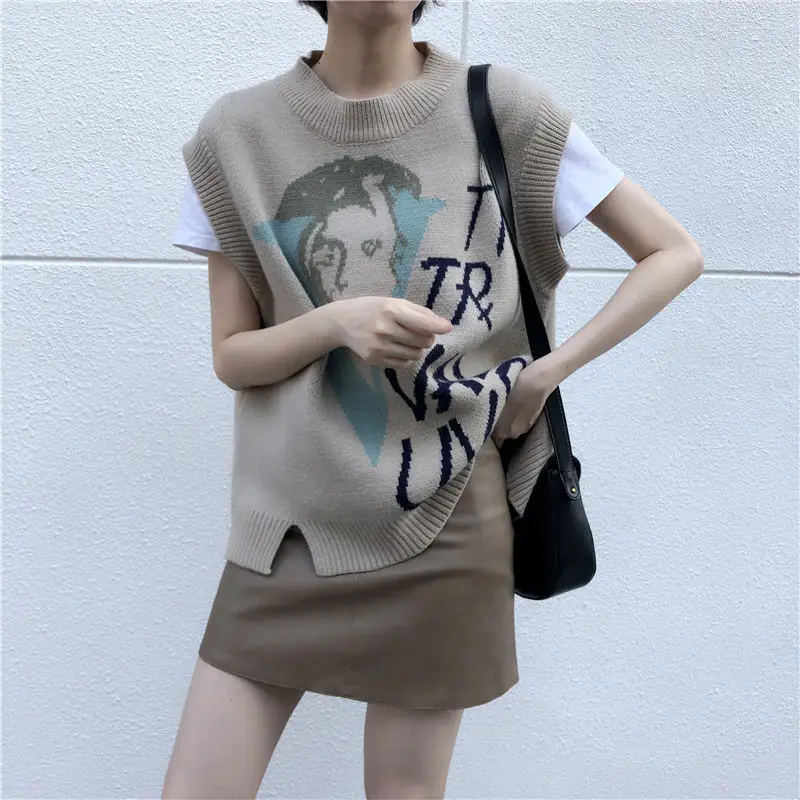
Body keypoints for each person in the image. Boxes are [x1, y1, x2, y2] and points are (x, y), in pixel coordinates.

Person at [164, 1, 704, 797]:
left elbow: (673, 252)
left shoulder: (504, 109)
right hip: (290, 526)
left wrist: (545, 373)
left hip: (448, 518)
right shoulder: (235, 135)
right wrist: (336, 322)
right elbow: (233, 356)